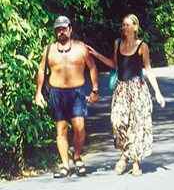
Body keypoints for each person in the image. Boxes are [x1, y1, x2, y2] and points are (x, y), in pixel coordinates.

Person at [86, 13, 166, 176]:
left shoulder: (142, 46)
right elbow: (114, 65)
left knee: (137, 125)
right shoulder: (118, 43)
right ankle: (126, 153)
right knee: (117, 122)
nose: (124, 28)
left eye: (128, 25)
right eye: (123, 25)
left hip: (138, 88)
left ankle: (134, 161)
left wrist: (157, 92)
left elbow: (148, 70)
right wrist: (97, 54)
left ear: (135, 27)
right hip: (121, 89)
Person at [34, 15, 99, 178]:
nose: (61, 32)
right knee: (61, 130)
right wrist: (38, 92)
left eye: (64, 28)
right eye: (58, 29)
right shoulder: (49, 50)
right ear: (55, 32)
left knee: (79, 128)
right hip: (57, 93)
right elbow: (42, 70)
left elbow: (92, 67)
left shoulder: (81, 48)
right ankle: (65, 165)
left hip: (77, 92)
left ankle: (76, 156)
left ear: (70, 29)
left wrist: (95, 89)